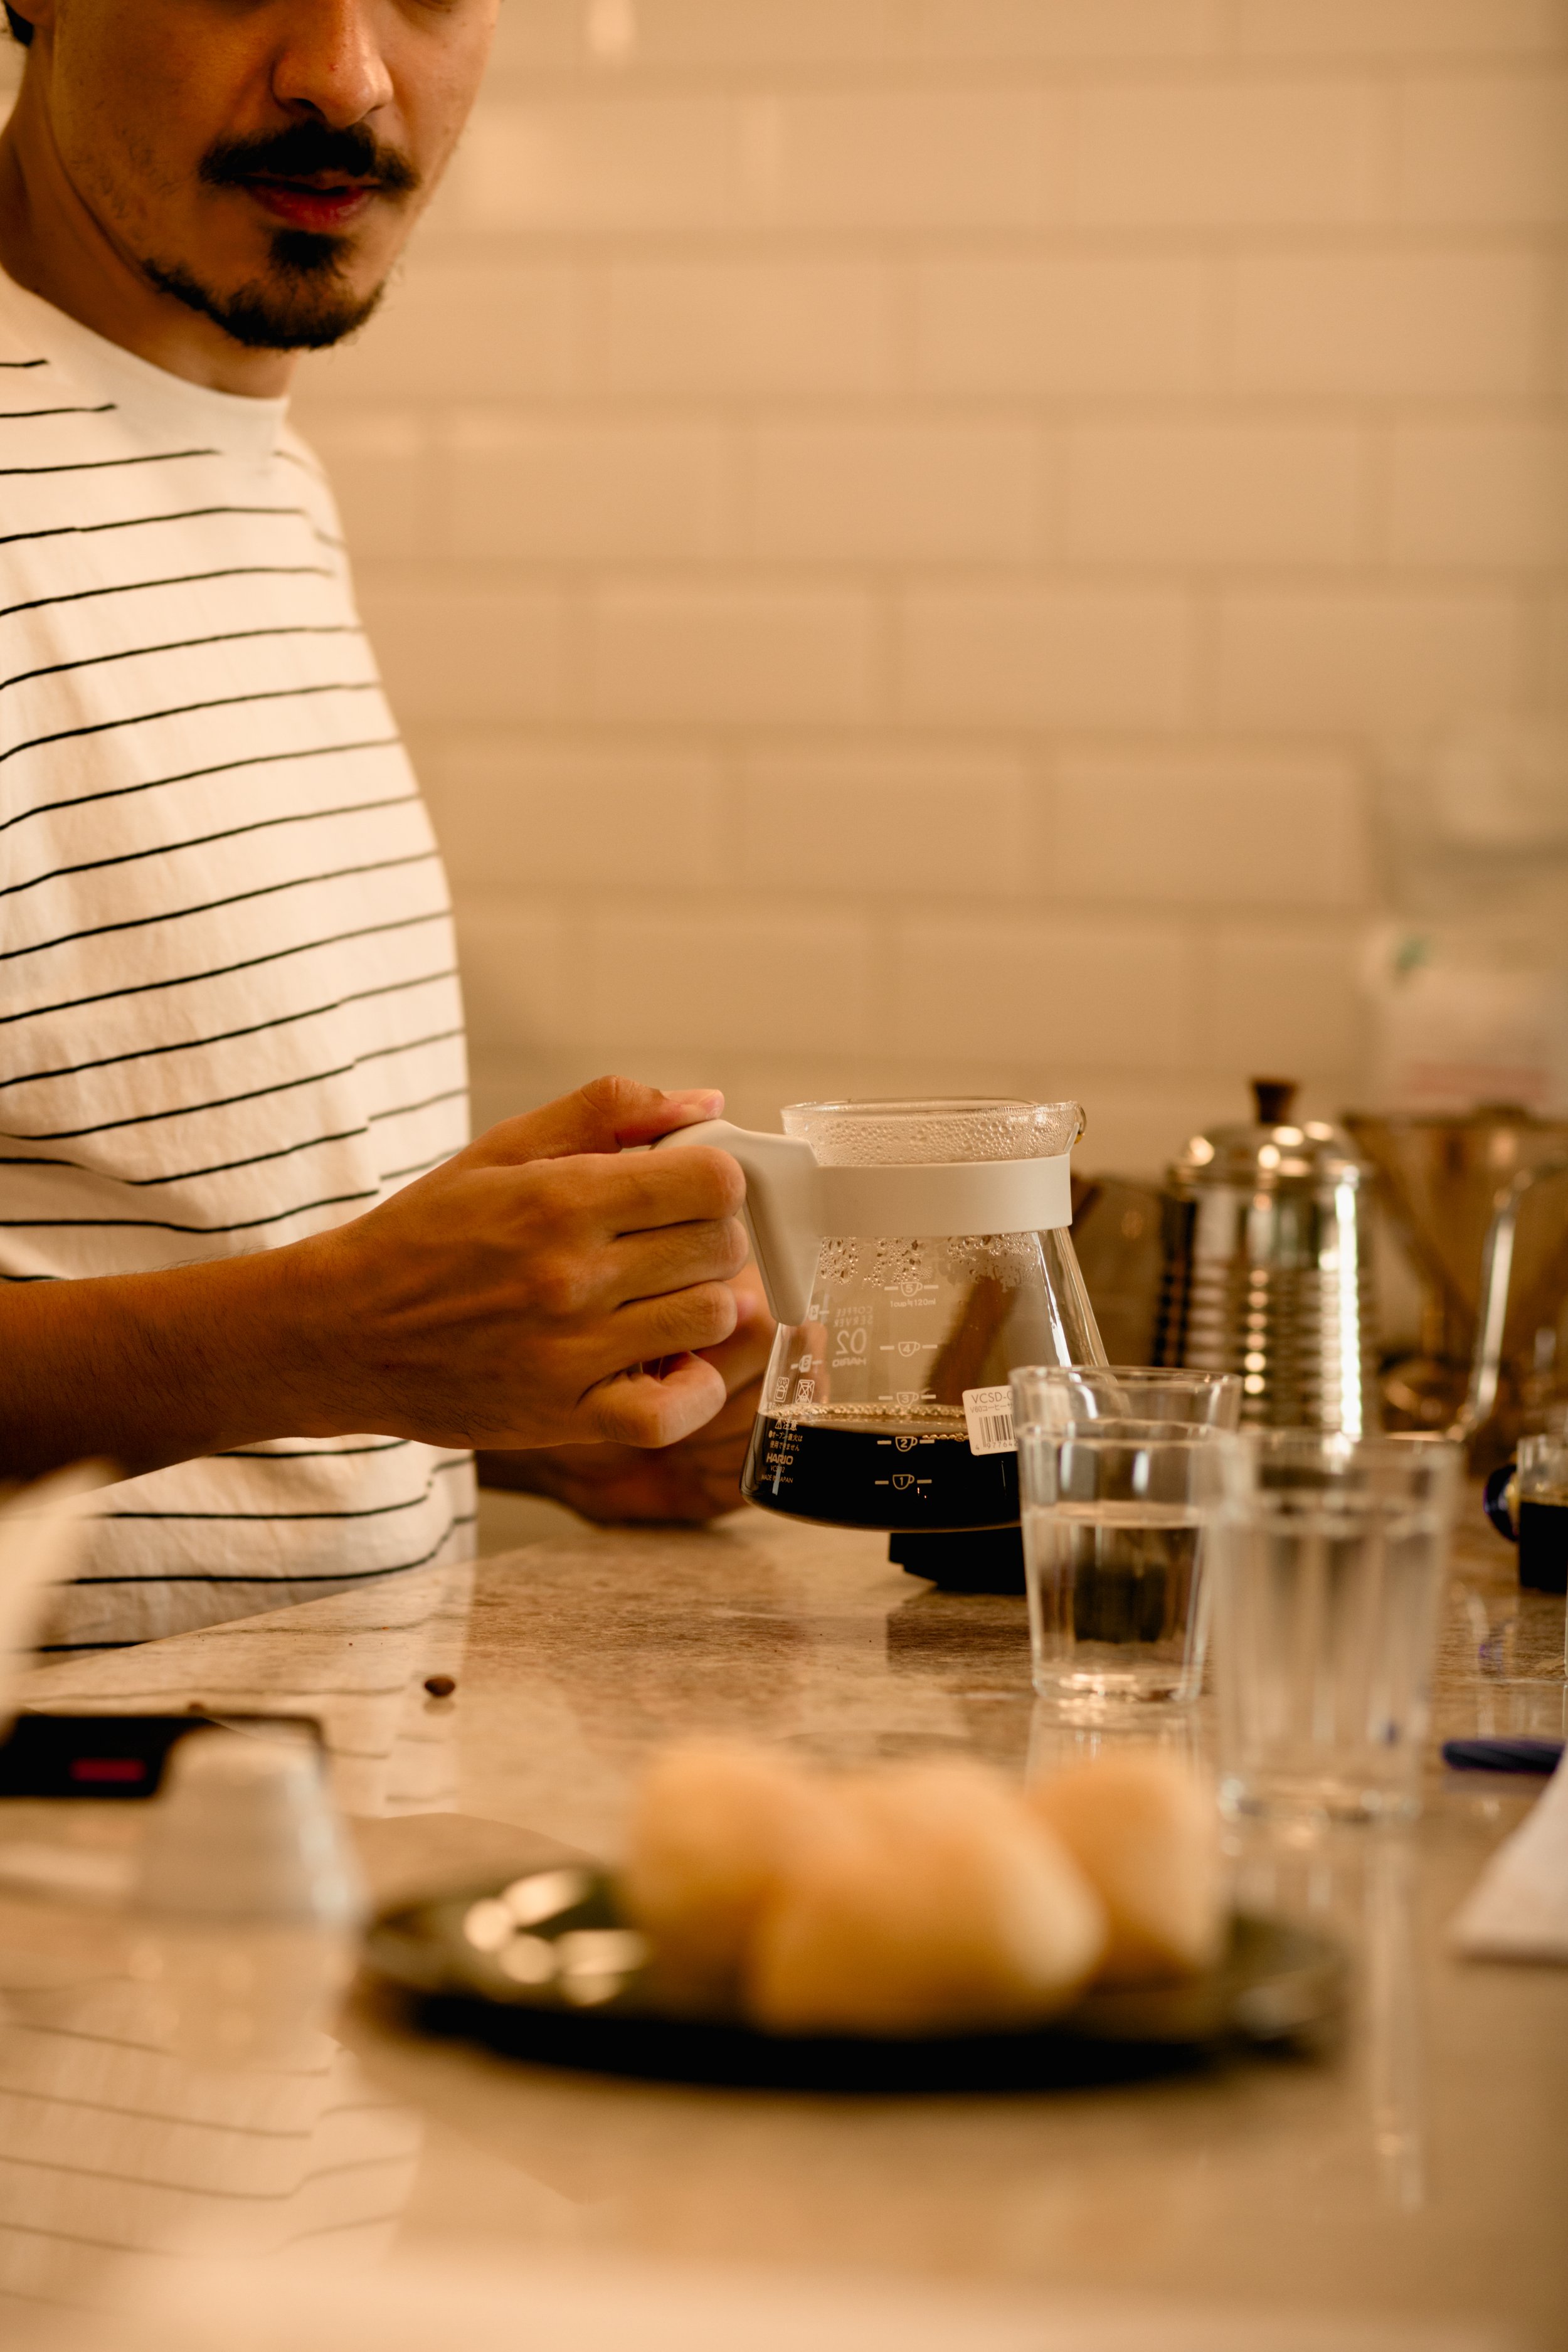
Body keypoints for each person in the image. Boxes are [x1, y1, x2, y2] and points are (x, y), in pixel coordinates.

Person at [0, 0, 773, 1648]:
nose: (346, 76)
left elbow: (160, 1254)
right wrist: (327, 1344)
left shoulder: (244, 464)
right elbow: (283, 1330)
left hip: (301, 1772)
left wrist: (518, 1407)